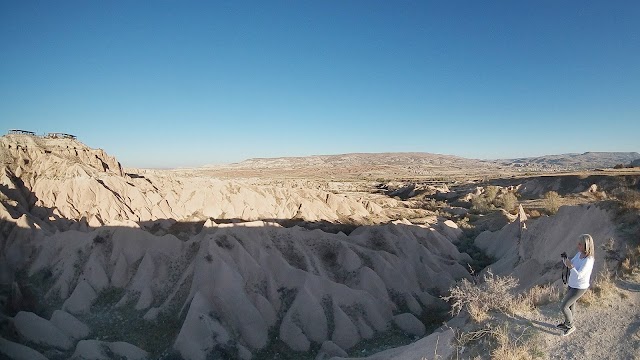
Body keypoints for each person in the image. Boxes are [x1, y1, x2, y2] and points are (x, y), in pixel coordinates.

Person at [557, 234, 595, 336]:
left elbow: (580, 275)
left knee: (564, 307)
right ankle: (567, 323)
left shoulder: (589, 260)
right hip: (572, 284)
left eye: (580, 244)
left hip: (579, 287)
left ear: (586, 245)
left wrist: (571, 266)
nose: (578, 246)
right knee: (570, 306)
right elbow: (571, 264)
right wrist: (565, 260)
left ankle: (570, 326)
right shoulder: (579, 254)